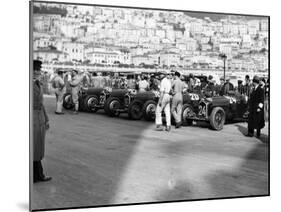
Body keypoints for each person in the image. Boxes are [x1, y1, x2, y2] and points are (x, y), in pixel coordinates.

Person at [33, 60, 52, 183]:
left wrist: (46, 119)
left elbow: (41, 104)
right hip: (32, 117)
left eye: (38, 69)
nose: (37, 71)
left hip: (39, 118)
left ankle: (38, 175)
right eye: (34, 69)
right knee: (33, 147)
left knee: (37, 147)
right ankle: (37, 175)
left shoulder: (37, 83)